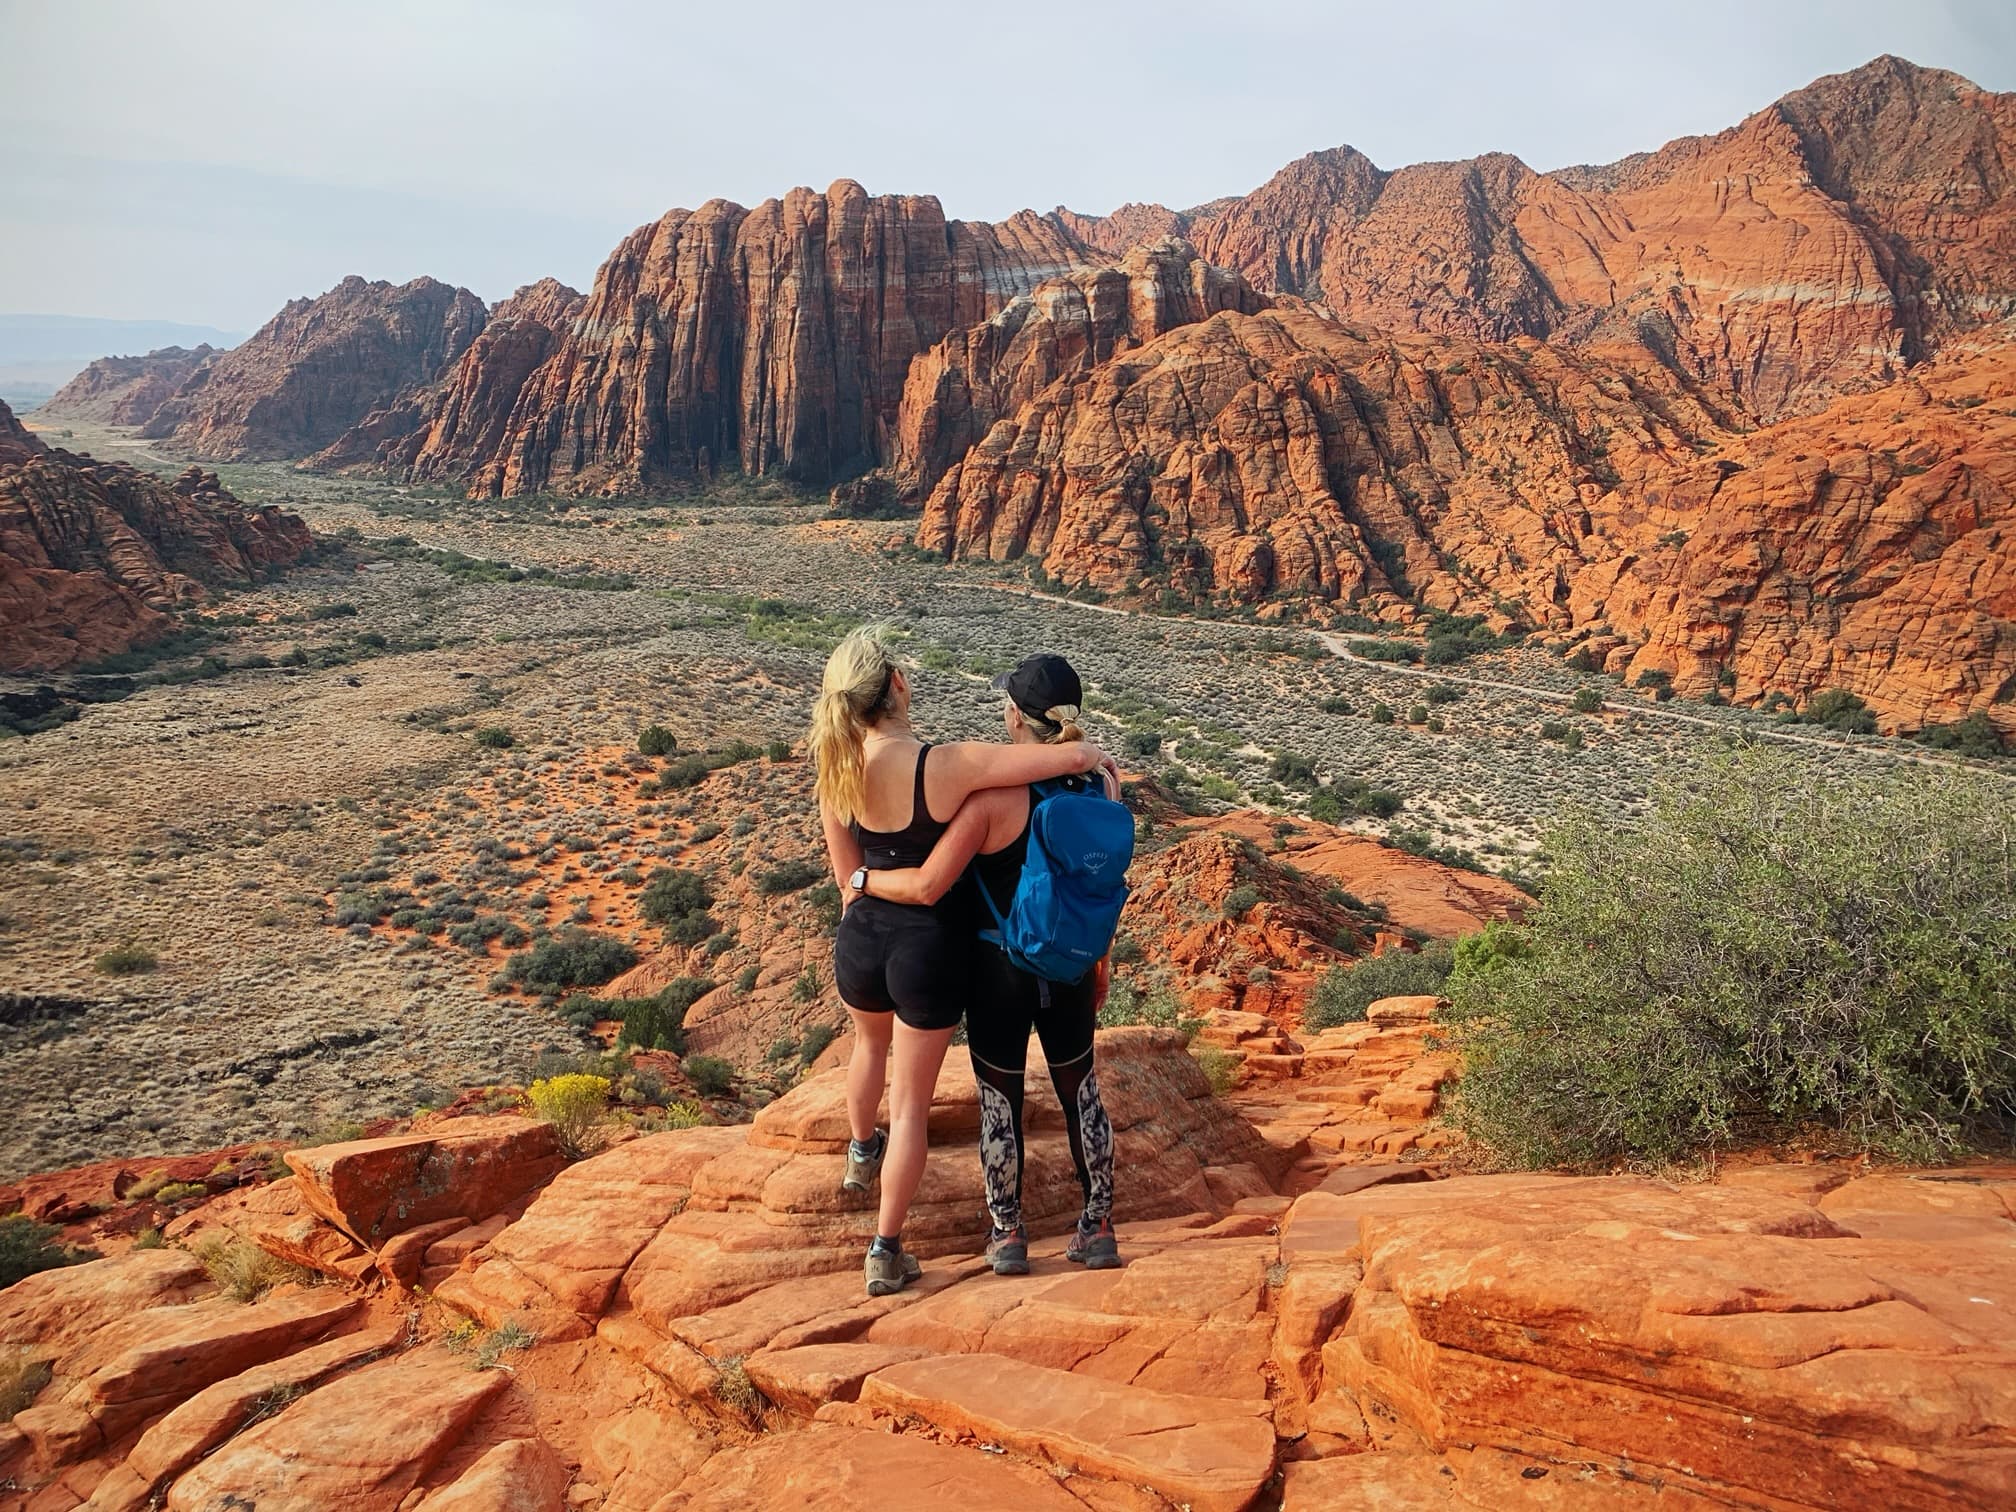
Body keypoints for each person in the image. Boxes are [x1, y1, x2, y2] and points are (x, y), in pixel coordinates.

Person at [810, 628, 1115, 1297]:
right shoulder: (1084, 787)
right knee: (1047, 1096)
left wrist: (860, 886)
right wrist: (1088, 754)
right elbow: (1089, 874)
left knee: (931, 1073)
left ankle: (972, 1214)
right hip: (1006, 956)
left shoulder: (860, 777)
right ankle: (1090, 1227)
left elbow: (881, 879)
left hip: (928, 953)